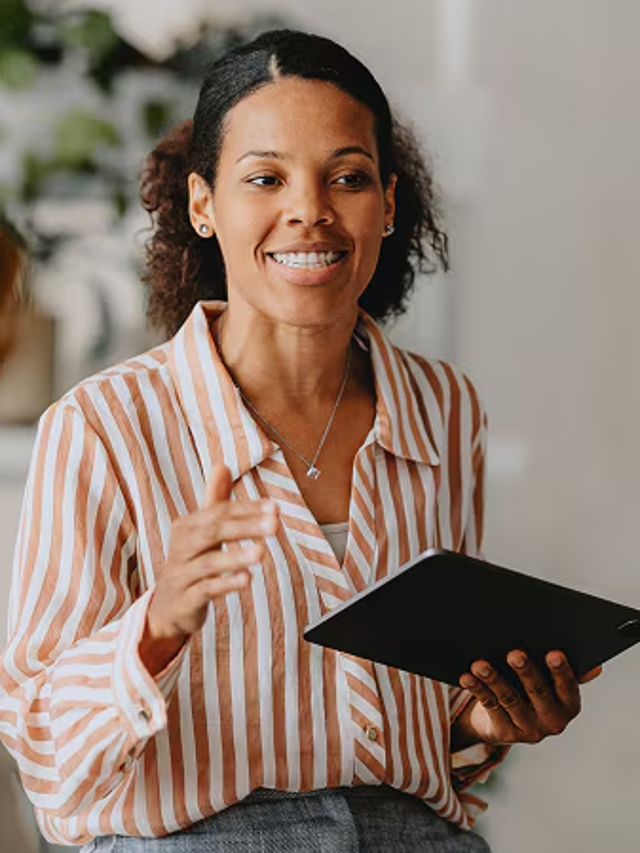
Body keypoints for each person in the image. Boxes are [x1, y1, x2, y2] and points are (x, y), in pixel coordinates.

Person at [0, 30, 599, 852]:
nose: (310, 209)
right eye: (265, 178)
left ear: (389, 203)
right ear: (203, 205)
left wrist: (485, 717)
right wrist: (158, 624)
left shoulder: (445, 408)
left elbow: (423, 718)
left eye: (347, 177)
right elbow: (41, 753)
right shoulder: (104, 427)